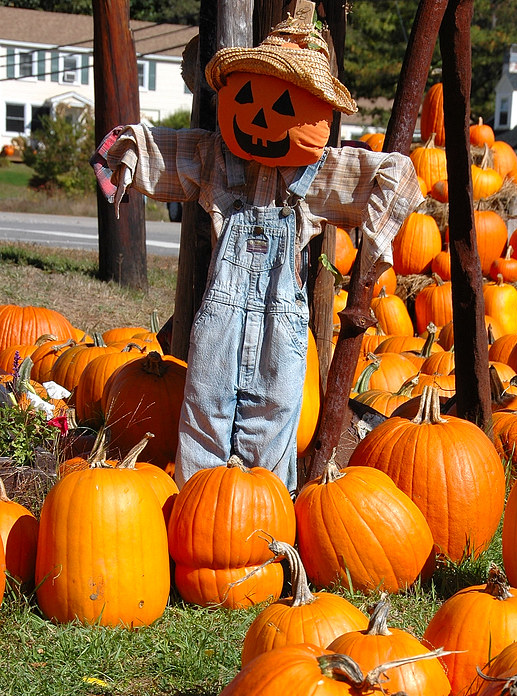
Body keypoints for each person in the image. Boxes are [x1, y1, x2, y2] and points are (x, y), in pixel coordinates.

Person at [95, 1, 423, 490]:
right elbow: (161, 151)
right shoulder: (213, 158)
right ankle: (199, 507)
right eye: (247, 97)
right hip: (220, 323)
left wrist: (375, 248)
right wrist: (123, 155)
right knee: (203, 413)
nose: (263, 116)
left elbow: (391, 180)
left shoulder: (319, 175)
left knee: (273, 420)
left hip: (281, 329)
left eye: (286, 107)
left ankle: (264, 517)